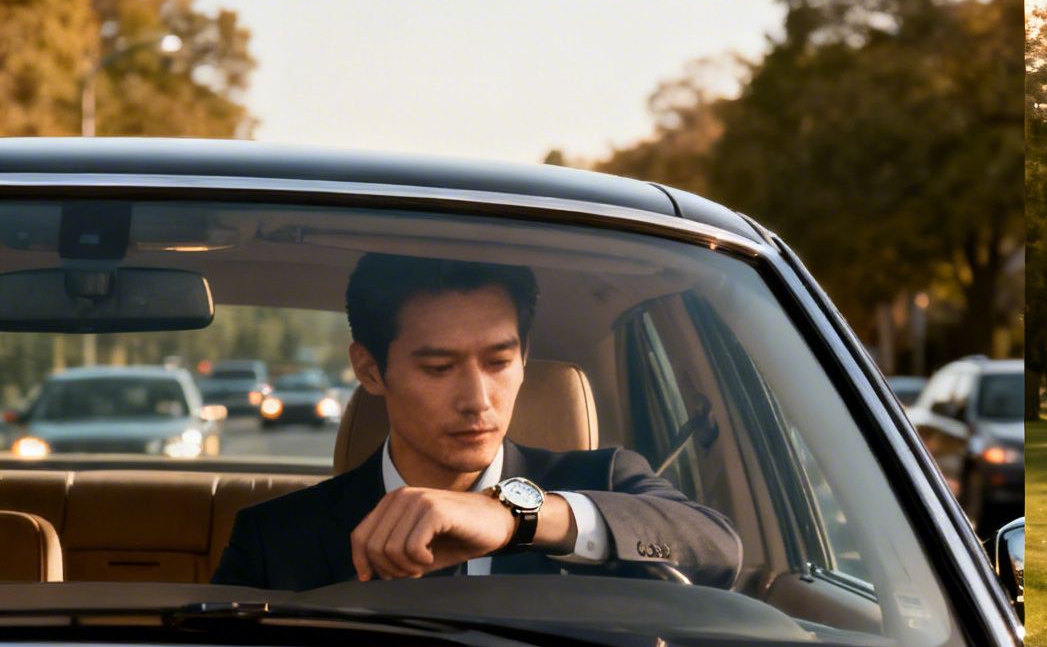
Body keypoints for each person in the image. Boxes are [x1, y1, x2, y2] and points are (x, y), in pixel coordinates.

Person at [211, 253, 741, 590]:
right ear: (370, 369)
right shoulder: (275, 539)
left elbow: (717, 549)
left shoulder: (603, 483)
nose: (478, 400)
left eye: (498, 362)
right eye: (439, 368)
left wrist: (518, 519)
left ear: (524, 355)